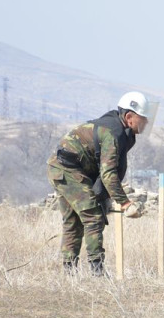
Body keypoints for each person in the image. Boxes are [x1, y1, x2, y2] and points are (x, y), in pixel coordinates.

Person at [47, 92, 150, 275]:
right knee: (93, 216)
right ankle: (97, 272)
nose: (146, 123)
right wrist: (126, 204)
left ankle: (69, 274)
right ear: (129, 117)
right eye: (143, 118)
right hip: (67, 170)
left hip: (68, 170)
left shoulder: (118, 129)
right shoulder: (113, 133)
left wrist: (105, 198)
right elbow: (108, 174)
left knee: (74, 221)